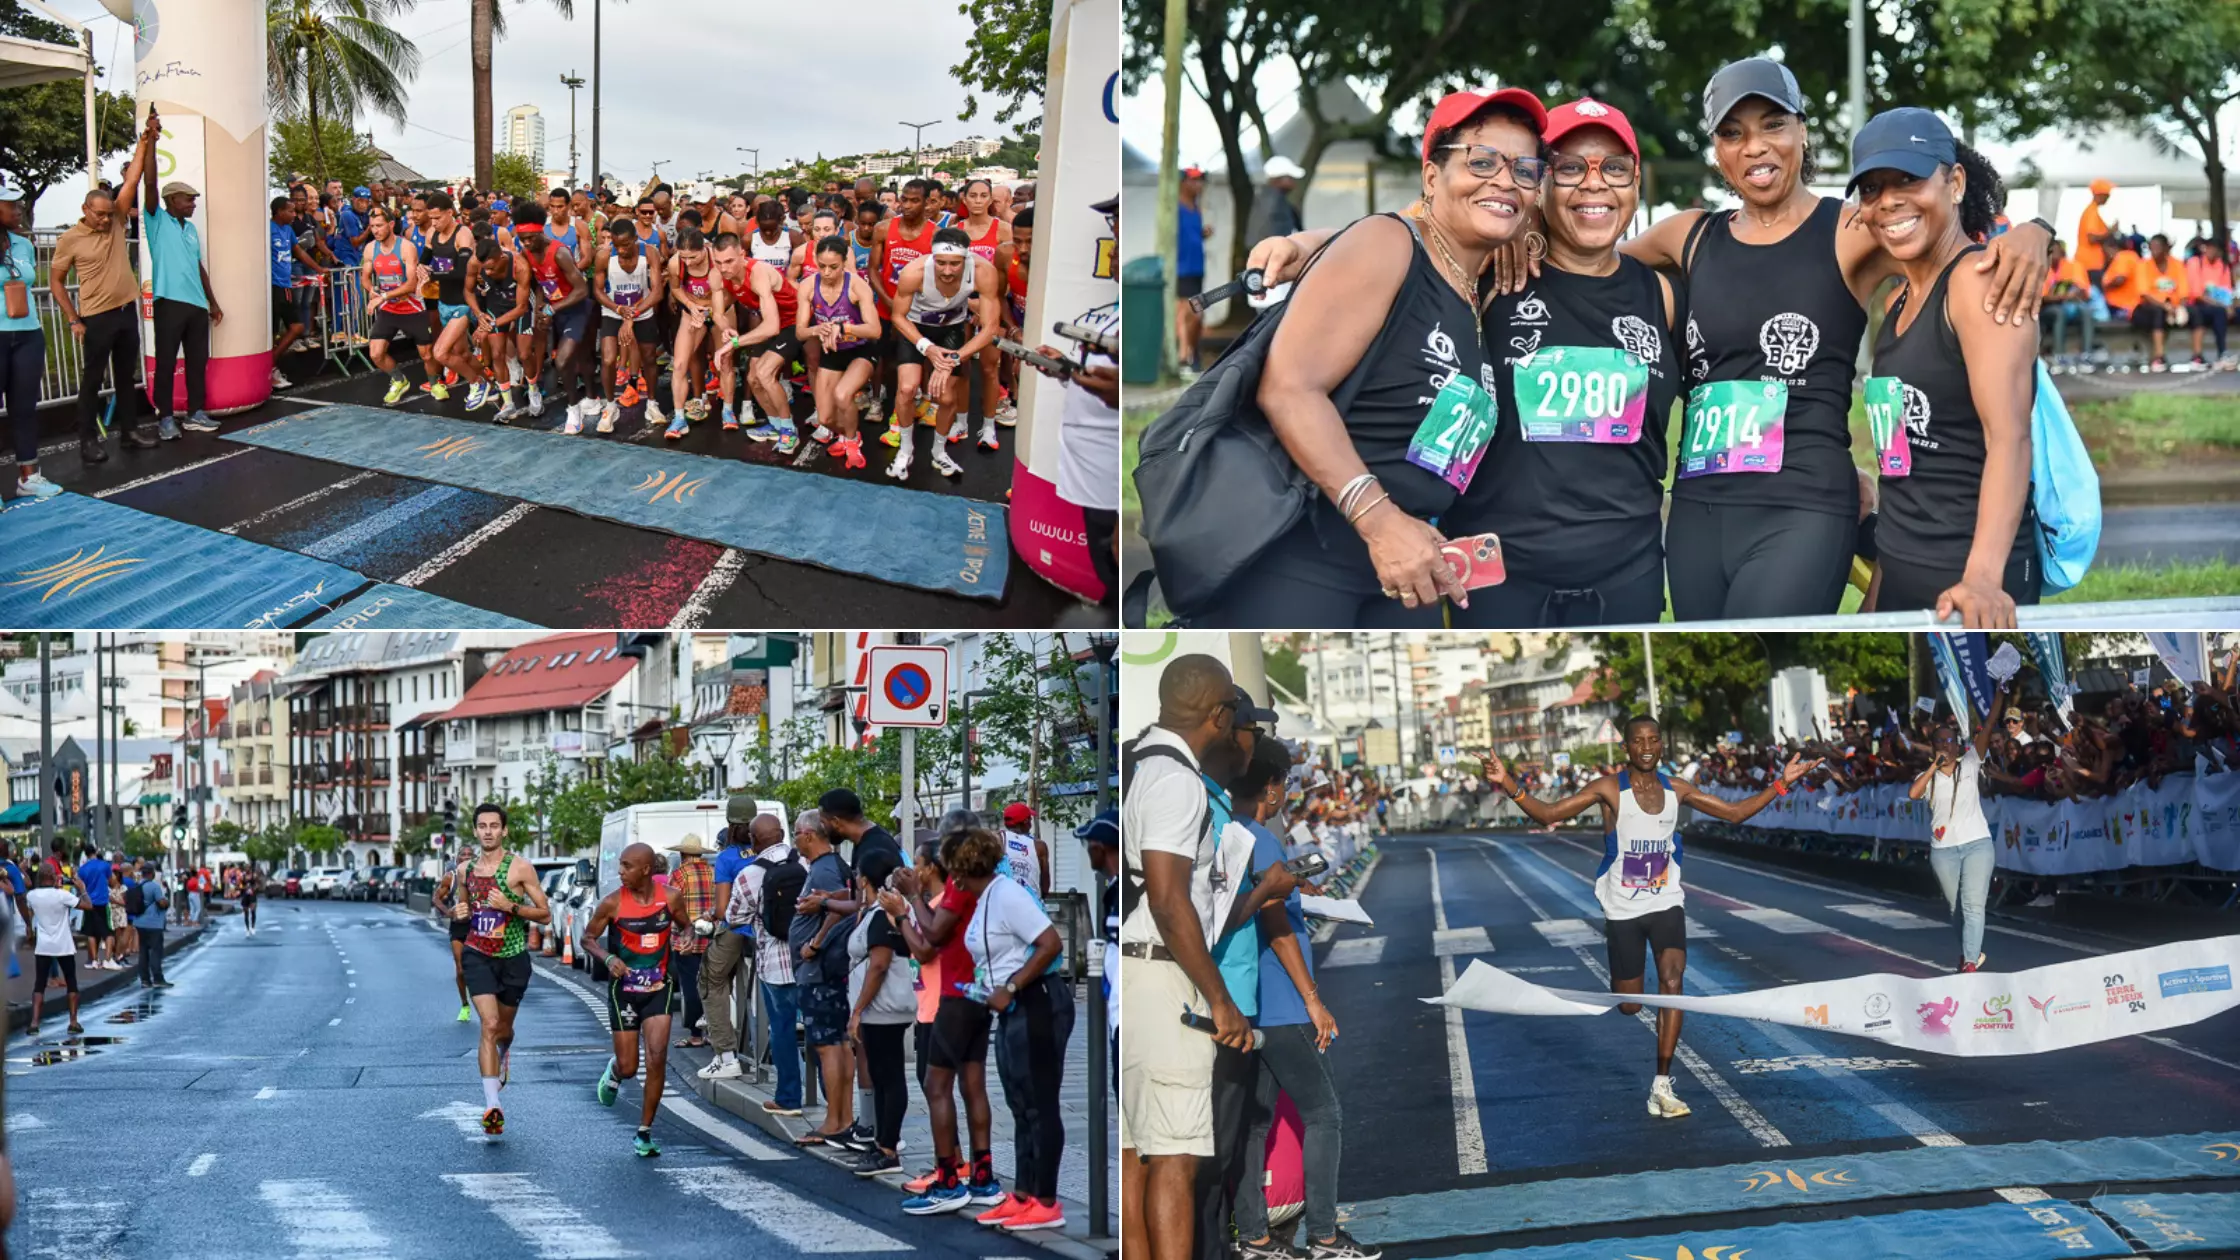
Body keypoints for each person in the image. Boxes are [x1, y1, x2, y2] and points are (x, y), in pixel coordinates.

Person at [1210, 88, 1550, 626]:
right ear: (1432, 178)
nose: (1505, 180)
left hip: (1404, 569)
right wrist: (1379, 522)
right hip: (1310, 561)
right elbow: (1288, 388)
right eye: (1481, 161)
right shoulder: (1389, 243)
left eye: (1525, 170)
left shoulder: (1475, 279)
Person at [1481, 717, 1817, 1119]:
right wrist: (1509, 782)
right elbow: (1548, 813)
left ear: (1661, 745)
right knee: (1629, 1002)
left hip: (1666, 901)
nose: (1646, 746)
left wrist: (1781, 783)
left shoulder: (1677, 789)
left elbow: (1734, 813)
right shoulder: (1608, 789)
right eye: (1638, 740)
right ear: (1626, 747)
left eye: (1653, 739)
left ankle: (1662, 1083)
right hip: (1623, 907)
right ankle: (1637, 1016)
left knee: (1672, 982)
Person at [1439, 97, 1679, 627]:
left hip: (1628, 578)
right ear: (1540, 185)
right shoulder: (1491, 277)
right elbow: (1412, 238)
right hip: (1501, 581)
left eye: (1614, 168)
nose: (1595, 184)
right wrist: (1303, 245)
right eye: (1571, 168)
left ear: (1636, 184)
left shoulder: (1662, 295)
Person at [1851, 109, 2039, 625]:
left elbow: (2011, 438)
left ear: (1954, 182)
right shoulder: (1899, 301)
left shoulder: (1977, 284)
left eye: (1908, 179)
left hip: (1968, 575)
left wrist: (1982, 576)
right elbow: (1905, 460)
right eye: (1871, 188)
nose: (1888, 200)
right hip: (1902, 563)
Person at [1121, 653, 1254, 1260]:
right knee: (1175, 1155)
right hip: (1163, 976)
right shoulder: (1177, 780)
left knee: (1139, 1151)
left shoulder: (1144, 763)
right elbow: (1171, 899)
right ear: (1219, 715)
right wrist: (1220, 1000)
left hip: (1138, 971)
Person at [1227, 734, 1362, 1260]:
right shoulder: (1262, 839)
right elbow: (1274, 919)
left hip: (1249, 1001)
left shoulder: (1230, 833)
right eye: (1286, 782)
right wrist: (1312, 997)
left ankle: (1255, 1236)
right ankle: (1325, 1235)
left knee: (1254, 1122)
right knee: (1324, 1112)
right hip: (1281, 1003)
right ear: (1273, 788)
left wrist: (1299, 893)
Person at [944, 827, 1071, 1233]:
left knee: (1039, 1101)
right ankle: (1023, 1194)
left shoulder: (1008, 895)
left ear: (961, 870)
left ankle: (1047, 1201)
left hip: (1039, 1002)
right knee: (1019, 1102)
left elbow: (1051, 943)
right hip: (1013, 1007)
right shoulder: (987, 899)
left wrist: (1012, 984)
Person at [889, 813, 1004, 1215]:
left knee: (936, 1086)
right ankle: (984, 1178)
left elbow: (932, 937)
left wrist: (909, 903)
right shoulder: (982, 882)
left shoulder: (958, 885)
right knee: (973, 1086)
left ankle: (950, 1181)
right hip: (975, 991)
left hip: (956, 995)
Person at [50, 112, 161, 466]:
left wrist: (145, 141)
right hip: (96, 317)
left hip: (126, 312)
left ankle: (129, 432)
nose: (104, 218)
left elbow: (132, 180)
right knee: (92, 380)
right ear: (85, 209)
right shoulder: (69, 239)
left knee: (127, 377)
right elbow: (54, 280)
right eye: (98, 213)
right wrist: (73, 319)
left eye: (107, 212)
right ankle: (88, 441)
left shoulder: (115, 220)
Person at [449, 803, 553, 1136]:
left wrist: (509, 906)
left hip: (513, 957)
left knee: (504, 1030)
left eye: (495, 825)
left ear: (504, 830)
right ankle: (493, 1107)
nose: (489, 831)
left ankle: (504, 1051)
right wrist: (458, 912)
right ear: (476, 831)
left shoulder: (520, 868)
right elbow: (463, 911)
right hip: (477, 954)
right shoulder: (465, 871)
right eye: (483, 826)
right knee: (489, 1024)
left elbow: (545, 914)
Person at [584, 841, 691, 1157]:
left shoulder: (670, 898)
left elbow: (686, 927)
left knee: (657, 1059)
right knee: (631, 1066)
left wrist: (686, 940)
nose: (620, 871)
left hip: (659, 989)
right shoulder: (612, 903)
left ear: (646, 869)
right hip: (625, 992)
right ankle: (615, 1072)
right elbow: (587, 938)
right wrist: (606, 959)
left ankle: (644, 1132)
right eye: (620, 865)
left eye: (627, 866)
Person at [884, 227, 1002, 482]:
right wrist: (927, 347)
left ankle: (939, 450)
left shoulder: (983, 272)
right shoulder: (913, 272)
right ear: (932, 257)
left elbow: (991, 326)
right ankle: (906, 449)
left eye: (955, 264)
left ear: (966, 259)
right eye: (941, 263)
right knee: (906, 389)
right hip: (916, 329)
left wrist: (955, 358)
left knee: (947, 398)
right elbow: (897, 316)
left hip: (951, 329)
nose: (947, 271)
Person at [1910, 684, 2005, 972]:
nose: (1946, 745)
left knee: (1974, 905)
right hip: (1944, 851)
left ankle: (1970, 963)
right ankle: (1969, 952)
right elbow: (1913, 794)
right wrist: (1932, 767)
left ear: (1958, 744)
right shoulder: (1927, 776)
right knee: (1956, 910)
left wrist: (1999, 693)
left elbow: (1988, 726)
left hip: (1977, 844)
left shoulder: (1971, 762)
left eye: (1950, 741)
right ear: (1934, 745)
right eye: (1940, 741)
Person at [787, 810, 859, 1146]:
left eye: (796, 833)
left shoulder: (826, 868)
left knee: (829, 1046)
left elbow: (843, 903)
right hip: (824, 969)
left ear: (809, 835)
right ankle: (841, 1117)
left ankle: (836, 1121)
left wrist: (815, 943)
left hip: (820, 970)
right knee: (835, 1044)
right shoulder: (828, 866)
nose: (794, 839)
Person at [140, 171, 224, 444]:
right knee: (166, 362)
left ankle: (195, 413)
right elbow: (150, 183)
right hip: (169, 302)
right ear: (171, 200)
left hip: (196, 304)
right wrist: (150, 140)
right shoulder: (157, 221)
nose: (193, 204)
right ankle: (165, 417)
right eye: (188, 200)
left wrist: (212, 302)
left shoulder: (190, 230)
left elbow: (198, 267)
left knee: (197, 362)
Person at [847, 856, 916, 1178]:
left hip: (883, 1008)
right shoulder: (887, 911)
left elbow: (879, 965)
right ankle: (883, 1143)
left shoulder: (881, 915)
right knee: (885, 1074)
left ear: (864, 881)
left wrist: (858, 1010)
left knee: (888, 1076)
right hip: (886, 1007)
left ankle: (888, 1149)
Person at [711, 231, 804, 452]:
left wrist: (732, 344)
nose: (724, 268)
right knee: (753, 379)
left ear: (742, 255)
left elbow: (772, 326)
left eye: (729, 261)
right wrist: (726, 330)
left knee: (764, 372)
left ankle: (790, 430)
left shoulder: (758, 273)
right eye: (718, 262)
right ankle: (775, 424)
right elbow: (716, 313)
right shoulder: (717, 274)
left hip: (793, 323)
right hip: (770, 325)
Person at [697, 816, 772, 1082]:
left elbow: (722, 909)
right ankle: (762, 1048)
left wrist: (708, 915)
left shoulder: (727, 857)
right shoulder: (777, 852)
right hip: (769, 932)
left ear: (729, 826)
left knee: (709, 980)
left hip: (739, 929)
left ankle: (726, 1057)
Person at [797, 235, 882, 467]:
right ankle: (847, 435)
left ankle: (853, 441)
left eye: (833, 267)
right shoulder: (807, 286)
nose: (826, 272)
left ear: (844, 262)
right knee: (824, 418)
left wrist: (842, 327)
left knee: (843, 394)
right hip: (832, 352)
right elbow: (800, 332)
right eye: (821, 266)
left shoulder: (856, 285)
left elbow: (875, 330)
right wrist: (819, 329)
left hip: (860, 349)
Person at [593, 215, 667, 433]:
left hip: (641, 311)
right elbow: (597, 290)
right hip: (613, 311)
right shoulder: (605, 256)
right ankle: (610, 406)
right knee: (607, 359)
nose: (621, 250)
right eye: (617, 245)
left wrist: (632, 315)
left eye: (625, 245)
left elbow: (657, 292)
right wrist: (618, 310)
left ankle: (652, 404)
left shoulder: (649, 253)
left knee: (649, 358)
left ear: (635, 239)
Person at [421, 192, 491, 407]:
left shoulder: (463, 235)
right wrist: (420, 272)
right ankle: (491, 383)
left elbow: (461, 272)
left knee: (440, 353)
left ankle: (477, 382)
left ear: (450, 213)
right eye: (431, 218)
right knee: (461, 353)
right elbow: (424, 262)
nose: (434, 223)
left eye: (438, 218)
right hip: (444, 302)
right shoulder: (432, 234)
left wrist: (431, 275)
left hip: (463, 301)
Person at [360, 205, 430, 405]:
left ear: (391, 224)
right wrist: (371, 290)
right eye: (372, 226)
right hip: (389, 308)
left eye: (379, 225)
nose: (375, 230)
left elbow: (411, 283)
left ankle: (435, 381)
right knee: (375, 353)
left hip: (411, 306)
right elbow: (364, 277)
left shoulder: (406, 247)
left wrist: (382, 296)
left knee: (426, 354)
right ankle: (399, 380)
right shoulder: (370, 248)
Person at [2103, 234, 2189, 370]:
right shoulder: (2143, 264)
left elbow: (2183, 291)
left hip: (2171, 308)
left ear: (2166, 248)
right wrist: (2166, 307)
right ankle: (2159, 357)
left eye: (2157, 247)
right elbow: (2144, 294)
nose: (2153, 251)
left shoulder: (2177, 264)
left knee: (2194, 313)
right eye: (2151, 247)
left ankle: (2198, 356)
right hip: (2144, 309)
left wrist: (2179, 308)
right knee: (2158, 313)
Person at [666, 833, 716, 1049]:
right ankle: (714, 1032)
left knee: (691, 987)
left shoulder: (679, 875)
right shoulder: (713, 873)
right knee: (713, 986)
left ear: (682, 853)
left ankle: (696, 1035)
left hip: (685, 939)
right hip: (711, 937)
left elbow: (671, 906)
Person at [25, 865, 85, 1036]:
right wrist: (82, 889)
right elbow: (87, 906)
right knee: (71, 980)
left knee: (39, 983)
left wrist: (29, 927)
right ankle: (73, 1021)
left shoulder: (32, 896)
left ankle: (34, 1022)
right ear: (52, 877)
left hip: (43, 945)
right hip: (64, 944)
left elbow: (28, 909)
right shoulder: (62, 895)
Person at [1175, 166, 1211, 376]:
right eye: (1193, 181)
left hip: (1197, 268)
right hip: (1182, 269)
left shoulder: (1195, 208)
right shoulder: (1175, 208)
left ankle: (1192, 355)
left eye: (1200, 181)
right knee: (1186, 313)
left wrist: (1202, 234)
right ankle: (1184, 358)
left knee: (1197, 315)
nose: (1198, 185)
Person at [820, 788, 905, 875]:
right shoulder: (867, 841)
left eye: (823, 822)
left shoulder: (874, 851)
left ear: (836, 822)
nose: (822, 828)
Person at [2040, 240, 2094, 369]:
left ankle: (2086, 356)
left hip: (2072, 306)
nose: (2055, 255)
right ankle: (2059, 357)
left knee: (2086, 311)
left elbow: (2085, 292)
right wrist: (2063, 296)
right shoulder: (2041, 268)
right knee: (2059, 313)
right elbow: (2042, 298)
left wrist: (2077, 292)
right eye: (2052, 252)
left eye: (2057, 251)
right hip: (2047, 310)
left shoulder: (2073, 266)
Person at [2184, 238, 2233, 368]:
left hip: (2218, 306)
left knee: (2223, 312)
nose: (2211, 251)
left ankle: (2223, 355)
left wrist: (2229, 306)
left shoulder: (2222, 266)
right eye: (2208, 247)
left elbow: (2226, 292)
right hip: (2196, 304)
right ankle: (2219, 353)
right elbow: (2197, 293)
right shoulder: (2195, 263)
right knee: (2218, 312)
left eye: (2214, 249)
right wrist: (2224, 306)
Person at [1248, 157, 1305, 250]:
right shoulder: (1276, 203)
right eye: (1290, 178)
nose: (1294, 182)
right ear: (1279, 179)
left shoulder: (1263, 198)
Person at [999, 802, 1051, 902]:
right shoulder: (1039, 846)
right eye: (1030, 819)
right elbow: (1045, 884)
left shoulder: (998, 839)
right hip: (1030, 904)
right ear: (1026, 821)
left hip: (1003, 902)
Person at [130, 861, 171, 989]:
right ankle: (158, 978)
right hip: (154, 924)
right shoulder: (154, 887)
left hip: (139, 923)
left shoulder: (137, 886)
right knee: (155, 951)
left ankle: (145, 980)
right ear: (152, 874)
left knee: (143, 952)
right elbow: (161, 903)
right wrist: (167, 902)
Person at [2075, 178, 2118, 291]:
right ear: (2100, 194)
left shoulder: (2092, 212)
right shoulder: (2091, 213)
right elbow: (2092, 238)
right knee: (2095, 295)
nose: (2109, 198)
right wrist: (2111, 231)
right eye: (2107, 195)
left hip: (2092, 262)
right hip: (2090, 263)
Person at [75, 845, 115, 969]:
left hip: (89, 903)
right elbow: (111, 881)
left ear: (85, 854)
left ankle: (94, 960)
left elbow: (79, 885)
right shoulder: (104, 866)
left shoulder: (82, 869)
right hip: (103, 902)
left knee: (91, 933)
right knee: (108, 932)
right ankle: (108, 959)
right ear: (96, 852)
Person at [240, 865, 259, 936]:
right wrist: (244, 887)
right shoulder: (243, 876)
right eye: (246, 868)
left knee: (253, 911)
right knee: (246, 912)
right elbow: (240, 885)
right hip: (245, 896)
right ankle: (247, 929)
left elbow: (257, 884)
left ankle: (253, 927)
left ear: (250, 869)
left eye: (248, 868)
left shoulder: (254, 875)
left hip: (252, 895)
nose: (247, 869)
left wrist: (253, 888)